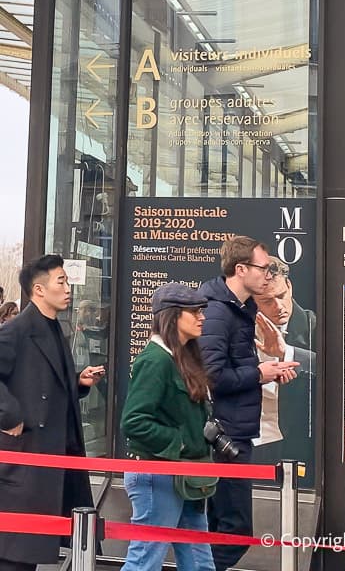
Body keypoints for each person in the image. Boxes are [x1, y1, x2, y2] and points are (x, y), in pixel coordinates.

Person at [198, 236, 299, 571]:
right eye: (263, 268)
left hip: (235, 430)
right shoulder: (217, 311)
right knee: (235, 530)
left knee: (220, 527)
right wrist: (259, 373)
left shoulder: (242, 309)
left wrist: (270, 370)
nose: (268, 274)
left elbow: (235, 369)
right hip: (224, 435)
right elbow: (213, 376)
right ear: (240, 270)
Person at [0, 254, 105, 571]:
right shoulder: (17, 330)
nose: (68, 287)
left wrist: (78, 383)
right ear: (39, 289)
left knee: (31, 553)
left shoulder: (54, 329)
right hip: (27, 461)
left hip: (57, 458)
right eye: (61, 280)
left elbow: (42, 384)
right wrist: (11, 415)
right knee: (15, 557)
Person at [120, 283, 215, 571]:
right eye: (194, 311)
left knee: (200, 563)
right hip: (157, 474)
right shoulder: (156, 360)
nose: (202, 317)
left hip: (185, 475)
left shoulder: (180, 357)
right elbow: (133, 421)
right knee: (144, 562)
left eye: (202, 310)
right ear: (172, 316)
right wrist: (182, 442)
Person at [252, 268, 316, 467]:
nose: (278, 306)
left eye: (281, 296)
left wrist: (286, 353)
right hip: (245, 441)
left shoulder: (314, 326)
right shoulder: (236, 331)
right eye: (267, 301)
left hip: (292, 444)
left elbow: (337, 370)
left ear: (290, 287)